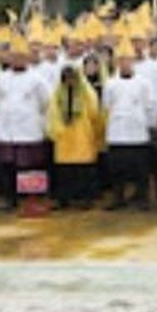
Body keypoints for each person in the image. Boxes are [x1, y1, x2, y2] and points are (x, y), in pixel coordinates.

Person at [0, 39, 49, 211]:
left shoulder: (38, 79)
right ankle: (9, 198)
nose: (18, 60)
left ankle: (32, 200)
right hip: (6, 129)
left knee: (30, 166)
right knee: (7, 166)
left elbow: (46, 101)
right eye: (15, 56)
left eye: (21, 57)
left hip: (29, 129)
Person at [103, 40, 157, 210]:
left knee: (140, 168)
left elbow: (150, 105)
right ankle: (118, 197)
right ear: (117, 63)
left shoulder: (144, 83)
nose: (125, 64)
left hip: (137, 131)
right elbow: (106, 105)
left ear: (133, 62)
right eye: (122, 60)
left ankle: (142, 198)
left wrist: (150, 125)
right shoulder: (110, 83)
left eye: (128, 60)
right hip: (117, 131)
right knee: (117, 168)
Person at [46, 66, 101, 209]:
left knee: (83, 169)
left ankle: (85, 199)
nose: (69, 81)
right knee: (64, 170)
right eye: (66, 78)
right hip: (64, 135)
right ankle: (64, 199)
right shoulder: (58, 92)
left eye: (72, 77)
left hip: (82, 133)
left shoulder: (87, 92)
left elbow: (94, 112)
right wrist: (56, 127)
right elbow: (52, 111)